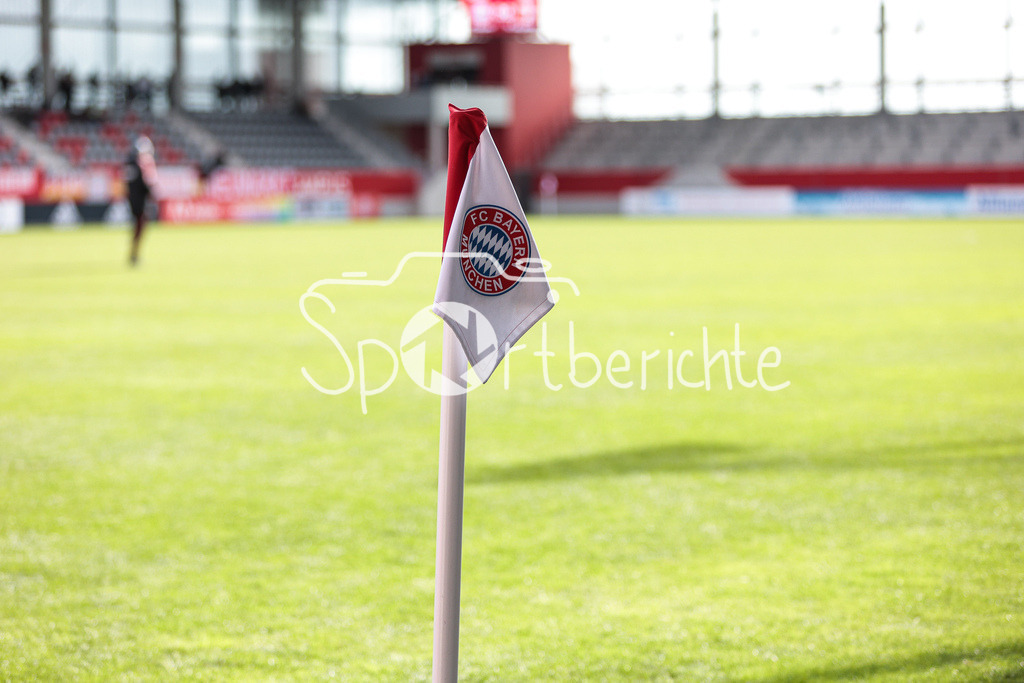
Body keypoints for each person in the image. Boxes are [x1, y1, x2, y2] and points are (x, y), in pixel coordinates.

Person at [125, 136, 157, 266]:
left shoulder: (130, 164)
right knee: (139, 227)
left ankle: (134, 254)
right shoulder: (139, 165)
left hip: (134, 201)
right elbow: (145, 184)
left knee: (138, 228)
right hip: (139, 202)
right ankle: (134, 254)